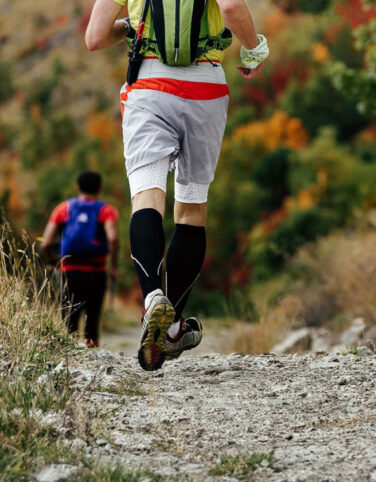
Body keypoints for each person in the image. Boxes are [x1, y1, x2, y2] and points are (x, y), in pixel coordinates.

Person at [83, 0, 268, 370]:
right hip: (206, 87)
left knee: (148, 196)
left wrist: (130, 25)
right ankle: (171, 329)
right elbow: (231, 7)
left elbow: (94, 38)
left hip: (149, 85)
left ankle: (152, 297)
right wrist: (254, 48)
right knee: (192, 206)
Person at [40, 171, 120, 348]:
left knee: (69, 318)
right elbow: (113, 239)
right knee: (92, 317)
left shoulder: (63, 209)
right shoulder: (106, 211)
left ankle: (70, 357)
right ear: (100, 188)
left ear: (78, 187)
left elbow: (45, 243)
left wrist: (54, 262)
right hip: (96, 271)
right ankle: (92, 357)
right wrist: (113, 266)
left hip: (69, 270)